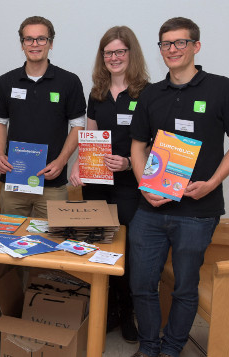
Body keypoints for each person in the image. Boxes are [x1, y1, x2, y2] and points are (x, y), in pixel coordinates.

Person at [129, 17, 229, 357]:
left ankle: (171, 348)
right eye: (166, 44)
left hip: (198, 212)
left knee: (184, 287)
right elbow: (138, 145)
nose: (172, 50)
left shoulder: (223, 88)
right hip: (150, 209)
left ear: (196, 46)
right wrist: (143, 186)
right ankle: (149, 346)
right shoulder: (151, 93)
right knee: (142, 284)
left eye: (180, 43)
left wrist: (212, 183)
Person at [69, 26, 149, 343]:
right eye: (108, 53)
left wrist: (129, 163)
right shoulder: (97, 93)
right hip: (97, 185)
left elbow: (155, 144)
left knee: (126, 253)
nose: (114, 58)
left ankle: (127, 313)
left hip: (129, 185)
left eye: (119, 52)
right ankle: (109, 310)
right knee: (100, 247)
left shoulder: (147, 93)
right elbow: (88, 136)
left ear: (131, 54)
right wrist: (78, 163)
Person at [0, 16, 86, 218]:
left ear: (51, 43)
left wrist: (61, 161)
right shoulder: (6, 81)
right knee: (9, 241)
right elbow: (0, 122)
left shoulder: (69, 81)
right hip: (14, 181)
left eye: (41, 39)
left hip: (53, 184)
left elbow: (78, 126)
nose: (35, 44)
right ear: (22, 44)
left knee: (52, 246)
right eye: (29, 39)